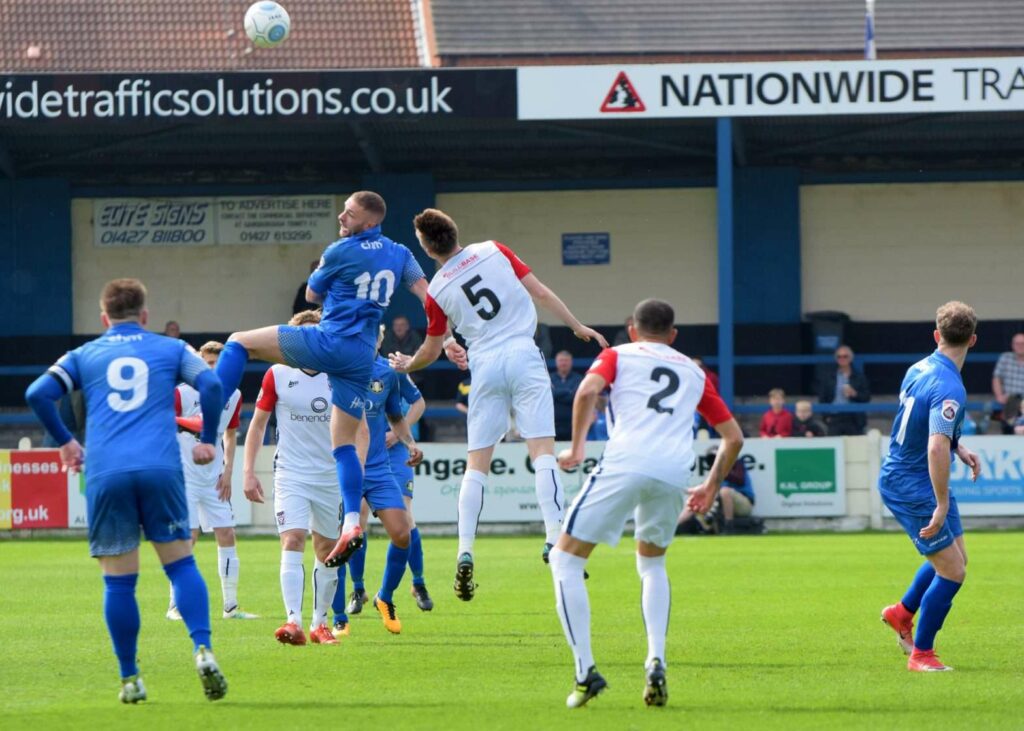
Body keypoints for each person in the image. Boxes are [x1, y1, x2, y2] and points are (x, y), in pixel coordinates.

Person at [210, 191, 464, 570]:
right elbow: (428, 295)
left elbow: (312, 293)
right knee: (344, 443)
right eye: (344, 210)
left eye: (350, 213)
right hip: (363, 357)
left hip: (329, 343)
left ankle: (211, 409)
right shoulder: (401, 254)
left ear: (370, 221)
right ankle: (350, 524)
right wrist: (447, 339)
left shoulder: (339, 250)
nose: (342, 217)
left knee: (238, 343)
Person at [24, 278, 227, 704]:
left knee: (119, 585)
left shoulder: (83, 354)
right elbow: (210, 385)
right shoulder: (171, 349)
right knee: (180, 564)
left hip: (106, 471)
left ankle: (130, 677)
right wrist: (208, 437)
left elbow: (37, 393)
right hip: (160, 467)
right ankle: (202, 649)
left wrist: (65, 440)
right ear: (145, 315)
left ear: (104, 318)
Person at [389, 207, 607, 602]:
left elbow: (432, 347)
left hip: (484, 364)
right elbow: (539, 292)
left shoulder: (437, 289)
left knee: (477, 464)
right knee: (542, 452)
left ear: (426, 247)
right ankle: (554, 537)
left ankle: (466, 549)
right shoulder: (494, 249)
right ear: (455, 230)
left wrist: (409, 362)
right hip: (524, 354)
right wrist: (576, 326)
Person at [553, 298, 743, 708]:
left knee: (566, 560)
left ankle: (585, 672)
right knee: (652, 563)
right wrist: (710, 486)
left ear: (633, 329)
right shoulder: (694, 370)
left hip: (626, 461)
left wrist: (578, 447)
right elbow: (734, 437)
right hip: (674, 471)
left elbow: (587, 391)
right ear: (673, 335)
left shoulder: (616, 354)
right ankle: (655, 658)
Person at [878, 301, 982, 673]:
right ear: (972, 340)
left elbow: (929, 427)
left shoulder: (919, 368)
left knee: (956, 561)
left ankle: (901, 612)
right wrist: (940, 503)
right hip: (912, 482)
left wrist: (960, 446)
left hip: (910, 475)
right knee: (953, 571)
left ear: (937, 336)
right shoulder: (950, 385)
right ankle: (922, 654)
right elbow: (934, 445)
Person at [241, 310, 343, 646]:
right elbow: (257, 425)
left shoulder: (339, 373)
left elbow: (359, 426)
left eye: (318, 335)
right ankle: (293, 621)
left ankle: (320, 623)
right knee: (293, 538)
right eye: (305, 337)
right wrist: (248, 472)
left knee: (327, 550)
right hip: (291, 473)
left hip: (331, 475)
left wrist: (356, 471)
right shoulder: (277, 374)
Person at [333, 325, 423, 633]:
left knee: (402, 534)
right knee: (345, 539)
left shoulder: (387, 373)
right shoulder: (337, 369)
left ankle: (384, 598)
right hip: (348, 465)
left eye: (372, 337)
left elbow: (396, 414)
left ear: (378, 341)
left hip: (379, 468)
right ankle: (339, 616)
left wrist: (410, 443)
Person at [167, 341, 258, 622]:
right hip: (185, 476)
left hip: (214, 477)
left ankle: (230, 606)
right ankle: (174, 606)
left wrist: (229, 470)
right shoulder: (182, 393)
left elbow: (229, 435)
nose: (212, 369)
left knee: (227, 534)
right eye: (207, 364)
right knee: (188, 538)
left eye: (217, 365)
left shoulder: (234, 395)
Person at [678, 445, 755, 534]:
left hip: (745, 504)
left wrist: (721, 469)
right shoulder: (714, 475)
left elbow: (739, 479)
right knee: (699, 496)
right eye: (712, 460)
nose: (714, 462)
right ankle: (677, 526)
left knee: (725, 491)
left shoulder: (737, 464)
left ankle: (728, 526)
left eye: (716, 459)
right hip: (720, 505)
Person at [817, 344, 871, 436]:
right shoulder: (829, 377)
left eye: (845, 356)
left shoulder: (859, 377)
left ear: (850, 358)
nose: (842, 359)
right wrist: (826, 416)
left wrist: (854, 394)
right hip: (834, 416)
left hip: (853, 417)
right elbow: (822, 398)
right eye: (839, 356)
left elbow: (866, 397)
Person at [992, 333, 1024, 434]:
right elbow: (996, 378)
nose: (1020, 346)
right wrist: (999, 396)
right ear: (1012, 345)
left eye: (1022, 343)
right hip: (1010, 400)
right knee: (1007, 425)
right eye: (1017, 343)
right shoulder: (1005, 357)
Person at [551, 350, 583, 441]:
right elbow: (549, 395)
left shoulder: (578, 378)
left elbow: (577, 396)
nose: (563, 363)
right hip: (553, 425)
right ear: (556, 362)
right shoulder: (549, 378)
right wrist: (568, 391)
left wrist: (557, 393)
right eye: (561, 360)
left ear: (571, 362)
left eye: (566, 360)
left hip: (573, 425)